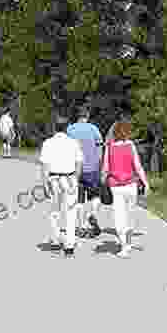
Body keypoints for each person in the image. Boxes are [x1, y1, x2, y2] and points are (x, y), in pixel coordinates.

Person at [101, 120, 149, 258]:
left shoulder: (109, 147)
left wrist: (102, 182)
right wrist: (145, 183)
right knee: (130, 214)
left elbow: (105, 169)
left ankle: (124, 246)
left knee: (119, 216)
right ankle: (128, 242)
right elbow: (137, 166)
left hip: (115, 186)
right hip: (131, 185)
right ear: (127, 132)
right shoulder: (131, 145)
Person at [39, 115, 83, 257]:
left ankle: (56, 240)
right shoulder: (74, 143)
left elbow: (45, 166)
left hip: (54, 178)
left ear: (55, 128)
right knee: (71, 211)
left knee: (54, 211)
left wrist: (45, 183)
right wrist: (75, 178)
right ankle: (69, 245)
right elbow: (79, 163)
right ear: (67, 128)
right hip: (69, 178)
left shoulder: (47, 143)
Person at [67, 104, 103, 238]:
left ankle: (81, 226)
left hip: (76, 169)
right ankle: (93, 214)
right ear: (87, 116)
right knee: (95, 195)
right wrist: (99, 163)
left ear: (77, 116)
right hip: (92, 168)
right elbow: (100, 147)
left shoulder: (70, 130)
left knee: (79, 199)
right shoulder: (94, 129)